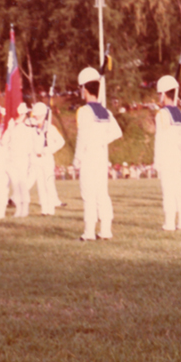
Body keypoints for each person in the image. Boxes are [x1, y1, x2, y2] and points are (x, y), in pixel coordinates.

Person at [73, 67, 122, 240]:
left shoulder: (84, 111)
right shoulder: (106, 112)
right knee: (102, 193)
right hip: (101, 156)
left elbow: (82, 138)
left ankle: (89, 232)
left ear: (84, 89)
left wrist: (77, 160)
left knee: (88, 195)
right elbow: (117, 132)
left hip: (88, 157)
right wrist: (101, 140)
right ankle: (106, 230)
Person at [153, 75, 181, 231]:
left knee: (168, 190)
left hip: (166, 155)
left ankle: (169, 223)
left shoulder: (162, 114)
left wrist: (157, 160)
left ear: (163, 94)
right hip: (176, 155)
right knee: (178, 188)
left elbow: (160, 138)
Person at [30, 101, 65, 216]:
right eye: (35, 115)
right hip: (36, 159)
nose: (36, 117)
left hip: (47, 159)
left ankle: (51, 208)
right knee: (40, 184)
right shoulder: (32, 129)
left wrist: (49, 149)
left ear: (44, 115)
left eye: (39, 115)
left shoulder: (50, 128)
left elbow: (61, 142)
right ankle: (44, 209)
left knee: (48, 183)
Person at [4, 102, 34, 218]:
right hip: (12, 159)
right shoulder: (11, 128)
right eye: (18, 114)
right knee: (15, 185)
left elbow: (29, 147)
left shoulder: (27, 130)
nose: (19, 117)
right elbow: (4, 141)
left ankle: (25, 209)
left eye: (22, 114)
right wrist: (9, 129)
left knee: (22, 184)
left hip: (22, 159)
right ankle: (18, 209)